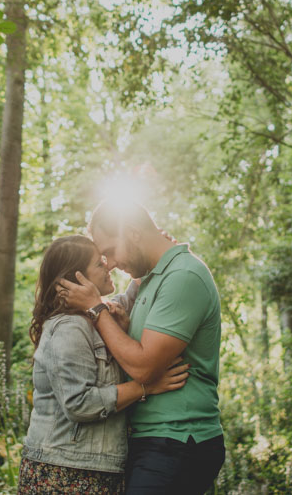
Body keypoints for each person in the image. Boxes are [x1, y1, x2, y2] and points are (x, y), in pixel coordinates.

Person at [60, 201, 224, 494]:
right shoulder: (149, 280)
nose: (107, 262)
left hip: (178, 441)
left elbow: (144, 367)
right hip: (155, 440)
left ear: (133, 233)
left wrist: (95, 309)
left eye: (109, 251)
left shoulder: (183, 276)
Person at [18, 235, 190, 495]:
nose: (108, 265)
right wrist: (145, 387)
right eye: (99, 263)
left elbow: (137, 291)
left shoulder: (101, 315)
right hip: (62, 471)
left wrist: (153, 244)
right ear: (78, 280)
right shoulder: (69, 327)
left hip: (95, 469)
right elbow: (79, 403)